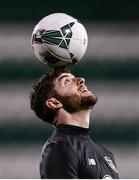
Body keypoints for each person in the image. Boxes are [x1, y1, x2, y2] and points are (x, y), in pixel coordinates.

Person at [30, 69, 119, 179]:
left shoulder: (106, 154)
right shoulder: (60, 148)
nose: (81, 80)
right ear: (54, 103)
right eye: (67, 81)